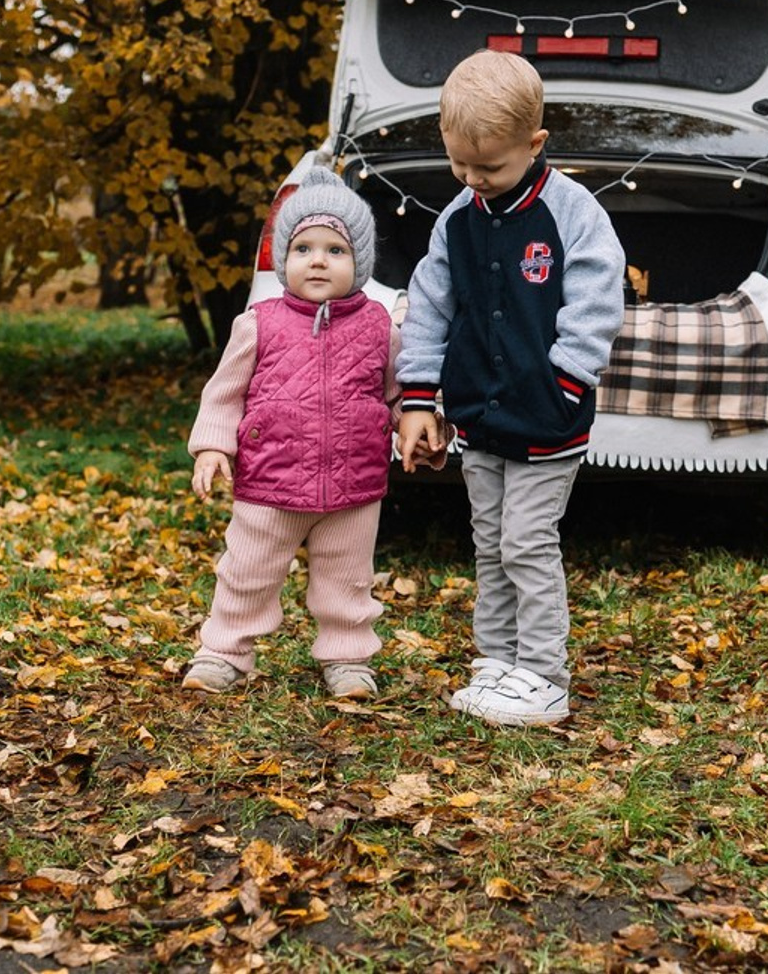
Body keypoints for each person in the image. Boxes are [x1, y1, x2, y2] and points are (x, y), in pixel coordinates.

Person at [397, 49, 626, 726]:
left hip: (548, 418)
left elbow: (595, 301)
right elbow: (430, 307)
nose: (473, 179)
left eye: (490, 167)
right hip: (478, 417)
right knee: (490, 539)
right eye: (460, 165)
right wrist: (419, 398)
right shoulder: (456, 221)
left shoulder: (572, 214)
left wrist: (563, 379)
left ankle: (544, 676)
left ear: (535, 145)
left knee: (527, 540)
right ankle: (497, 661)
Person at [184, 166, 410, 699]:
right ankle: (223, 651)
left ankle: (348, 657)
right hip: (270, 482)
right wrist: (213, 446)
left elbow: (398, 394)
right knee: (248, 573)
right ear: (284, 258)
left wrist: (416, 427)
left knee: (348, 581)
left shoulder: (381, 326)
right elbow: (224, 393)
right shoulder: (258, 323)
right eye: (303, 247)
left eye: (335, 250)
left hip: (354, 486)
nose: (317, 260)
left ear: (360, 263)